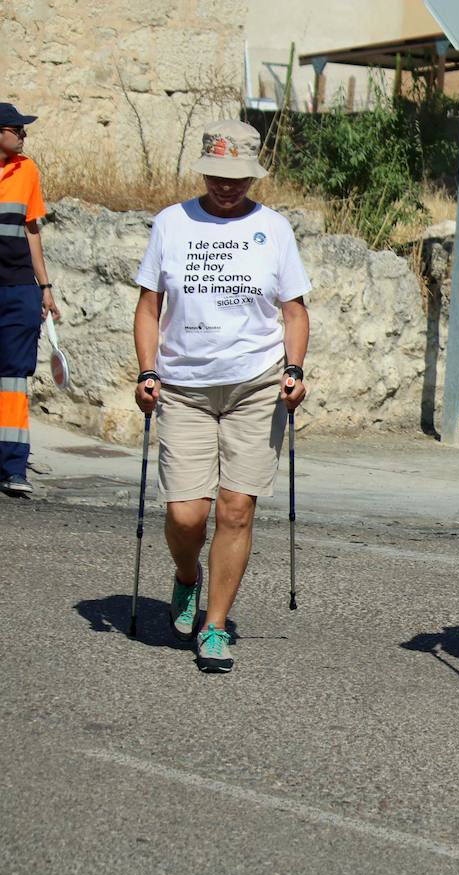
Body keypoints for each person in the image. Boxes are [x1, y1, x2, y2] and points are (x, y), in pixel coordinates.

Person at [132, 120, 310, 673]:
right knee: (187, 515)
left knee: (236, 509)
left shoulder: (274, 228)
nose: (226, 186)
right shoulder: (171, 222)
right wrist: (146, 370)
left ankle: (214, 627)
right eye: (217, 175)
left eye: (237, 177)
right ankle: (188, 576)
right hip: (183, 386)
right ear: (204, 170)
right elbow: (148, 306)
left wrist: (295, 368)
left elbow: (295, 310)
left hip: (255, 384)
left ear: (253, 175)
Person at [0, 102, 60, 496]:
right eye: (18, 130)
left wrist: (45, 287)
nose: (24, 136)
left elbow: (32, 230)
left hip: (19, 289)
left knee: (13, 380)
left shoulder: (28, 170)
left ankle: (13, 468)